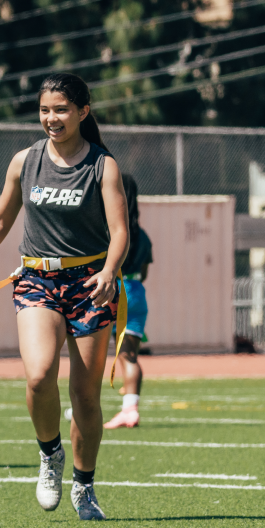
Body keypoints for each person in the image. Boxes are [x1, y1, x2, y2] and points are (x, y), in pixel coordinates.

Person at [0, 73, 127, 521]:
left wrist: (109, 271)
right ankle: (50, 455)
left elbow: (121, 232)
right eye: (45, 109)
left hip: (89, 287)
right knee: (40, 376)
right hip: (38, 281)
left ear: (82, 111)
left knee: (86, 397)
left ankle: (84, 484)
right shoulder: (25, 161)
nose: (51, 118)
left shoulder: (104, 165)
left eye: (61, 109)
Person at [105, 174, 152, 429]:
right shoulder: (142, 235)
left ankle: (85, 406)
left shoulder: (108, 230)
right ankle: (130, 409)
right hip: (136, 290)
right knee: (129, 356)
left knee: (96, 352)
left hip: (113, 289)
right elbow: (144, 272)